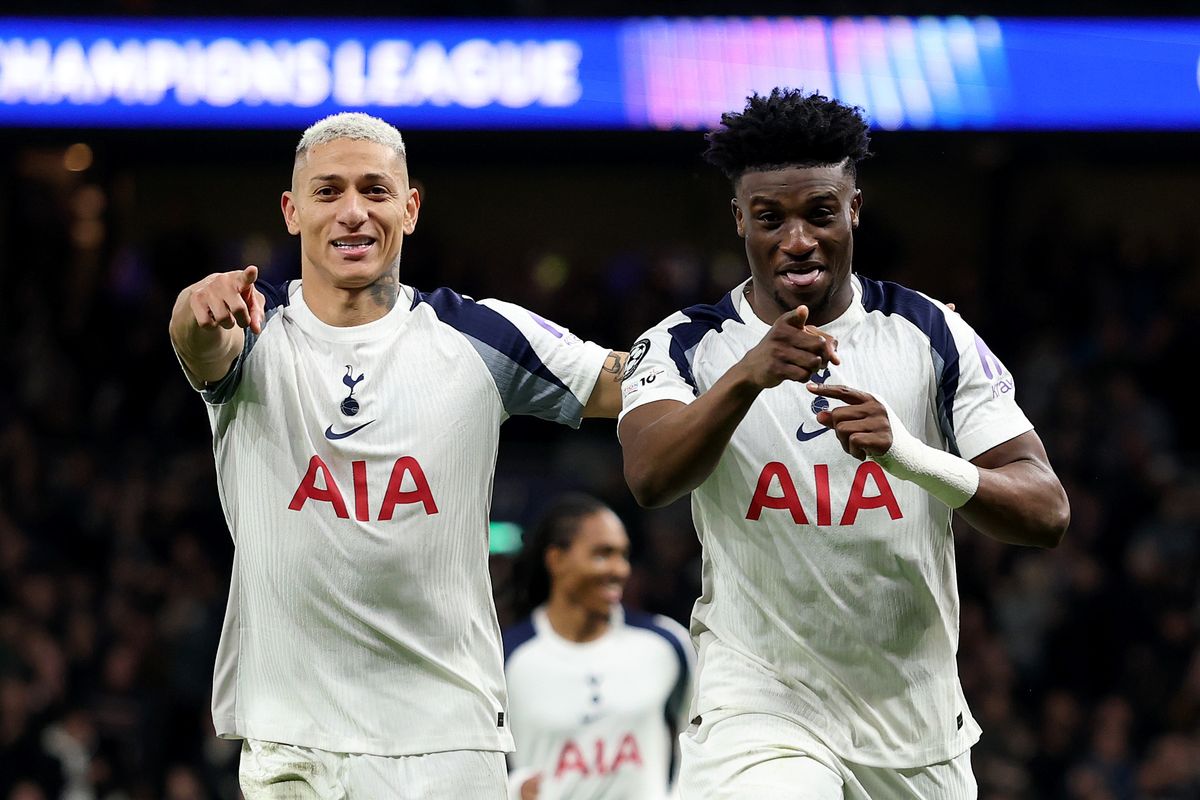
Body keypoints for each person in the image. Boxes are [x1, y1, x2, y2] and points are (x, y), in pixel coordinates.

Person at [617, 88, 1070, 798]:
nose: (797, 239)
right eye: (770, 218)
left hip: (912, 722)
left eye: (820, 213)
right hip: (759, 706)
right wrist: (747, 376)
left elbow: (1046, 512)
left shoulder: (931, 333)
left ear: (853, 209)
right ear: (740, 219)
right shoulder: (685, 343)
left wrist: (907, 455)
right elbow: (649, 475)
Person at [167, 112, 627, 799]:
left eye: (375, 191)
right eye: (328, 192)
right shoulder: (255, 331)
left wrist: (748, 363)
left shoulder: (478, 334)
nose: (353, 211)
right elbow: (200, 346)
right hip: (294, 739)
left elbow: (626, 384)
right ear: (292, 213)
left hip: (448, 739)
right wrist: (192, 304)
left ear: (409, 209)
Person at [502, 493, 693, 800]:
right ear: (556, 559)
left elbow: (703, 740)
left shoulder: (667, 644)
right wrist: (512, 789)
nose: (620, 570)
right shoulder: (507, 658)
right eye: (603, 554)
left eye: (624, 555)